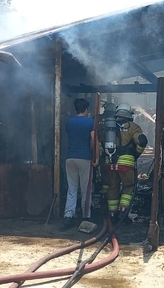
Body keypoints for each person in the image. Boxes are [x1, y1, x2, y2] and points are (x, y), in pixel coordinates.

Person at [101, 103, 147, 221]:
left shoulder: (108, 126)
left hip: (110, 163)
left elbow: (100, 143)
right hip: (126, 164)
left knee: (113, 187)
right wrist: (136, 154)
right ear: (129, 114)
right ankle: (122, 212)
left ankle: (112, 214)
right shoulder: (133, 127)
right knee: (128, 186)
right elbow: (142, 141)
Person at [63, 98, 96, 229]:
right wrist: (95, 155)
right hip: (84, 158)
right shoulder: (90, 122)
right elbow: (93, 140)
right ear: (86, 109)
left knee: (72, 189)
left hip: (70, 158)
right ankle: (86, 216)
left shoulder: (69, 122)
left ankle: (68, 215)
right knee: (86, 188)